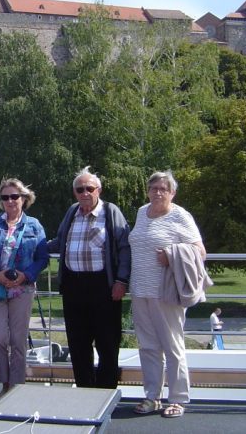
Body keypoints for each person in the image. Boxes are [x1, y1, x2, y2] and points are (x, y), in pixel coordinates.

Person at [128, 171, 207, 418]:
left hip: (166, 292)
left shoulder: (180, 216)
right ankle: (152, 396)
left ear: (172, 193)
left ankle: (178, 399)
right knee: (148, 346)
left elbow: (200, 251)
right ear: (148, 190)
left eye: (164, 189)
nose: (158, 192)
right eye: (154, 188)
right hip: (140, 289)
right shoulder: (142, 212)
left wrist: (172, 254)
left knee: (172, 346)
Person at [47, 167, 131, 388]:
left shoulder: (111, 213)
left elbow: (124, 248)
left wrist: (121, 281)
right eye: (79, 189)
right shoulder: (72, 212)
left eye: (89, 188)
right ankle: (84, 390)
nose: (84, 193)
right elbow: (59, 241)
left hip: (103, 285)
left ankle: (105, 391)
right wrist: (31, 247)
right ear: (74, 192)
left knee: (107, 342)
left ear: (99, 190)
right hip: (74, 285)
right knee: (78, 343)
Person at [0, 178, 48, 394]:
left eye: (14, 196)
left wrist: (27, 275)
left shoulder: (34, 225)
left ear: (24, 198)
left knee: (18, 340)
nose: (10, 201)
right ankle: (4, 382)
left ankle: (15, 387)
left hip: (22, 288)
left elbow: (42, 257)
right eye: (5, 197)